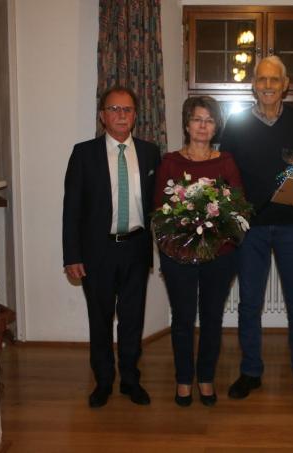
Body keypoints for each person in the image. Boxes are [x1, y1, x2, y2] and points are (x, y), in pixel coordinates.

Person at [219, 56, 293, 401]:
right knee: (249, 303)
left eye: (274, 80)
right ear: (253, 84)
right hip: (251, 228)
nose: (267, 85)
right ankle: (251, 371)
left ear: (286, 84)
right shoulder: (234, 125)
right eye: (261, 79)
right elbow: (225, 176)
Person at [62, 86, 161, 408]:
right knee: (101, 319)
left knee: (132, 320)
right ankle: (103, 381)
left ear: (135, 116)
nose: (121, 115)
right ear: (102, 116)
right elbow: (72, 209)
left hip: (135, 248)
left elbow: (160, 204)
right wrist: (72, 255)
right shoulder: (83, 153)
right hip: (97, 252)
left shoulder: (150, 153)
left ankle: (131, 380)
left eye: (128, 110)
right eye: (114, 109)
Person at [153, 96, 244, 407]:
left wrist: (215, 229)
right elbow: (159, 212)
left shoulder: (226, 161)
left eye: (208, 120)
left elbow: (237, 210)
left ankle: (205, 377)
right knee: (182, 319)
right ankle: (182, 380)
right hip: (178, 256)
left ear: (215, 125)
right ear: (187, 124)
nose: (203, 125)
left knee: (211, 319)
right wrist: (181, 235)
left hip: (219, 255)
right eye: (197, 119)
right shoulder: (170, 162)